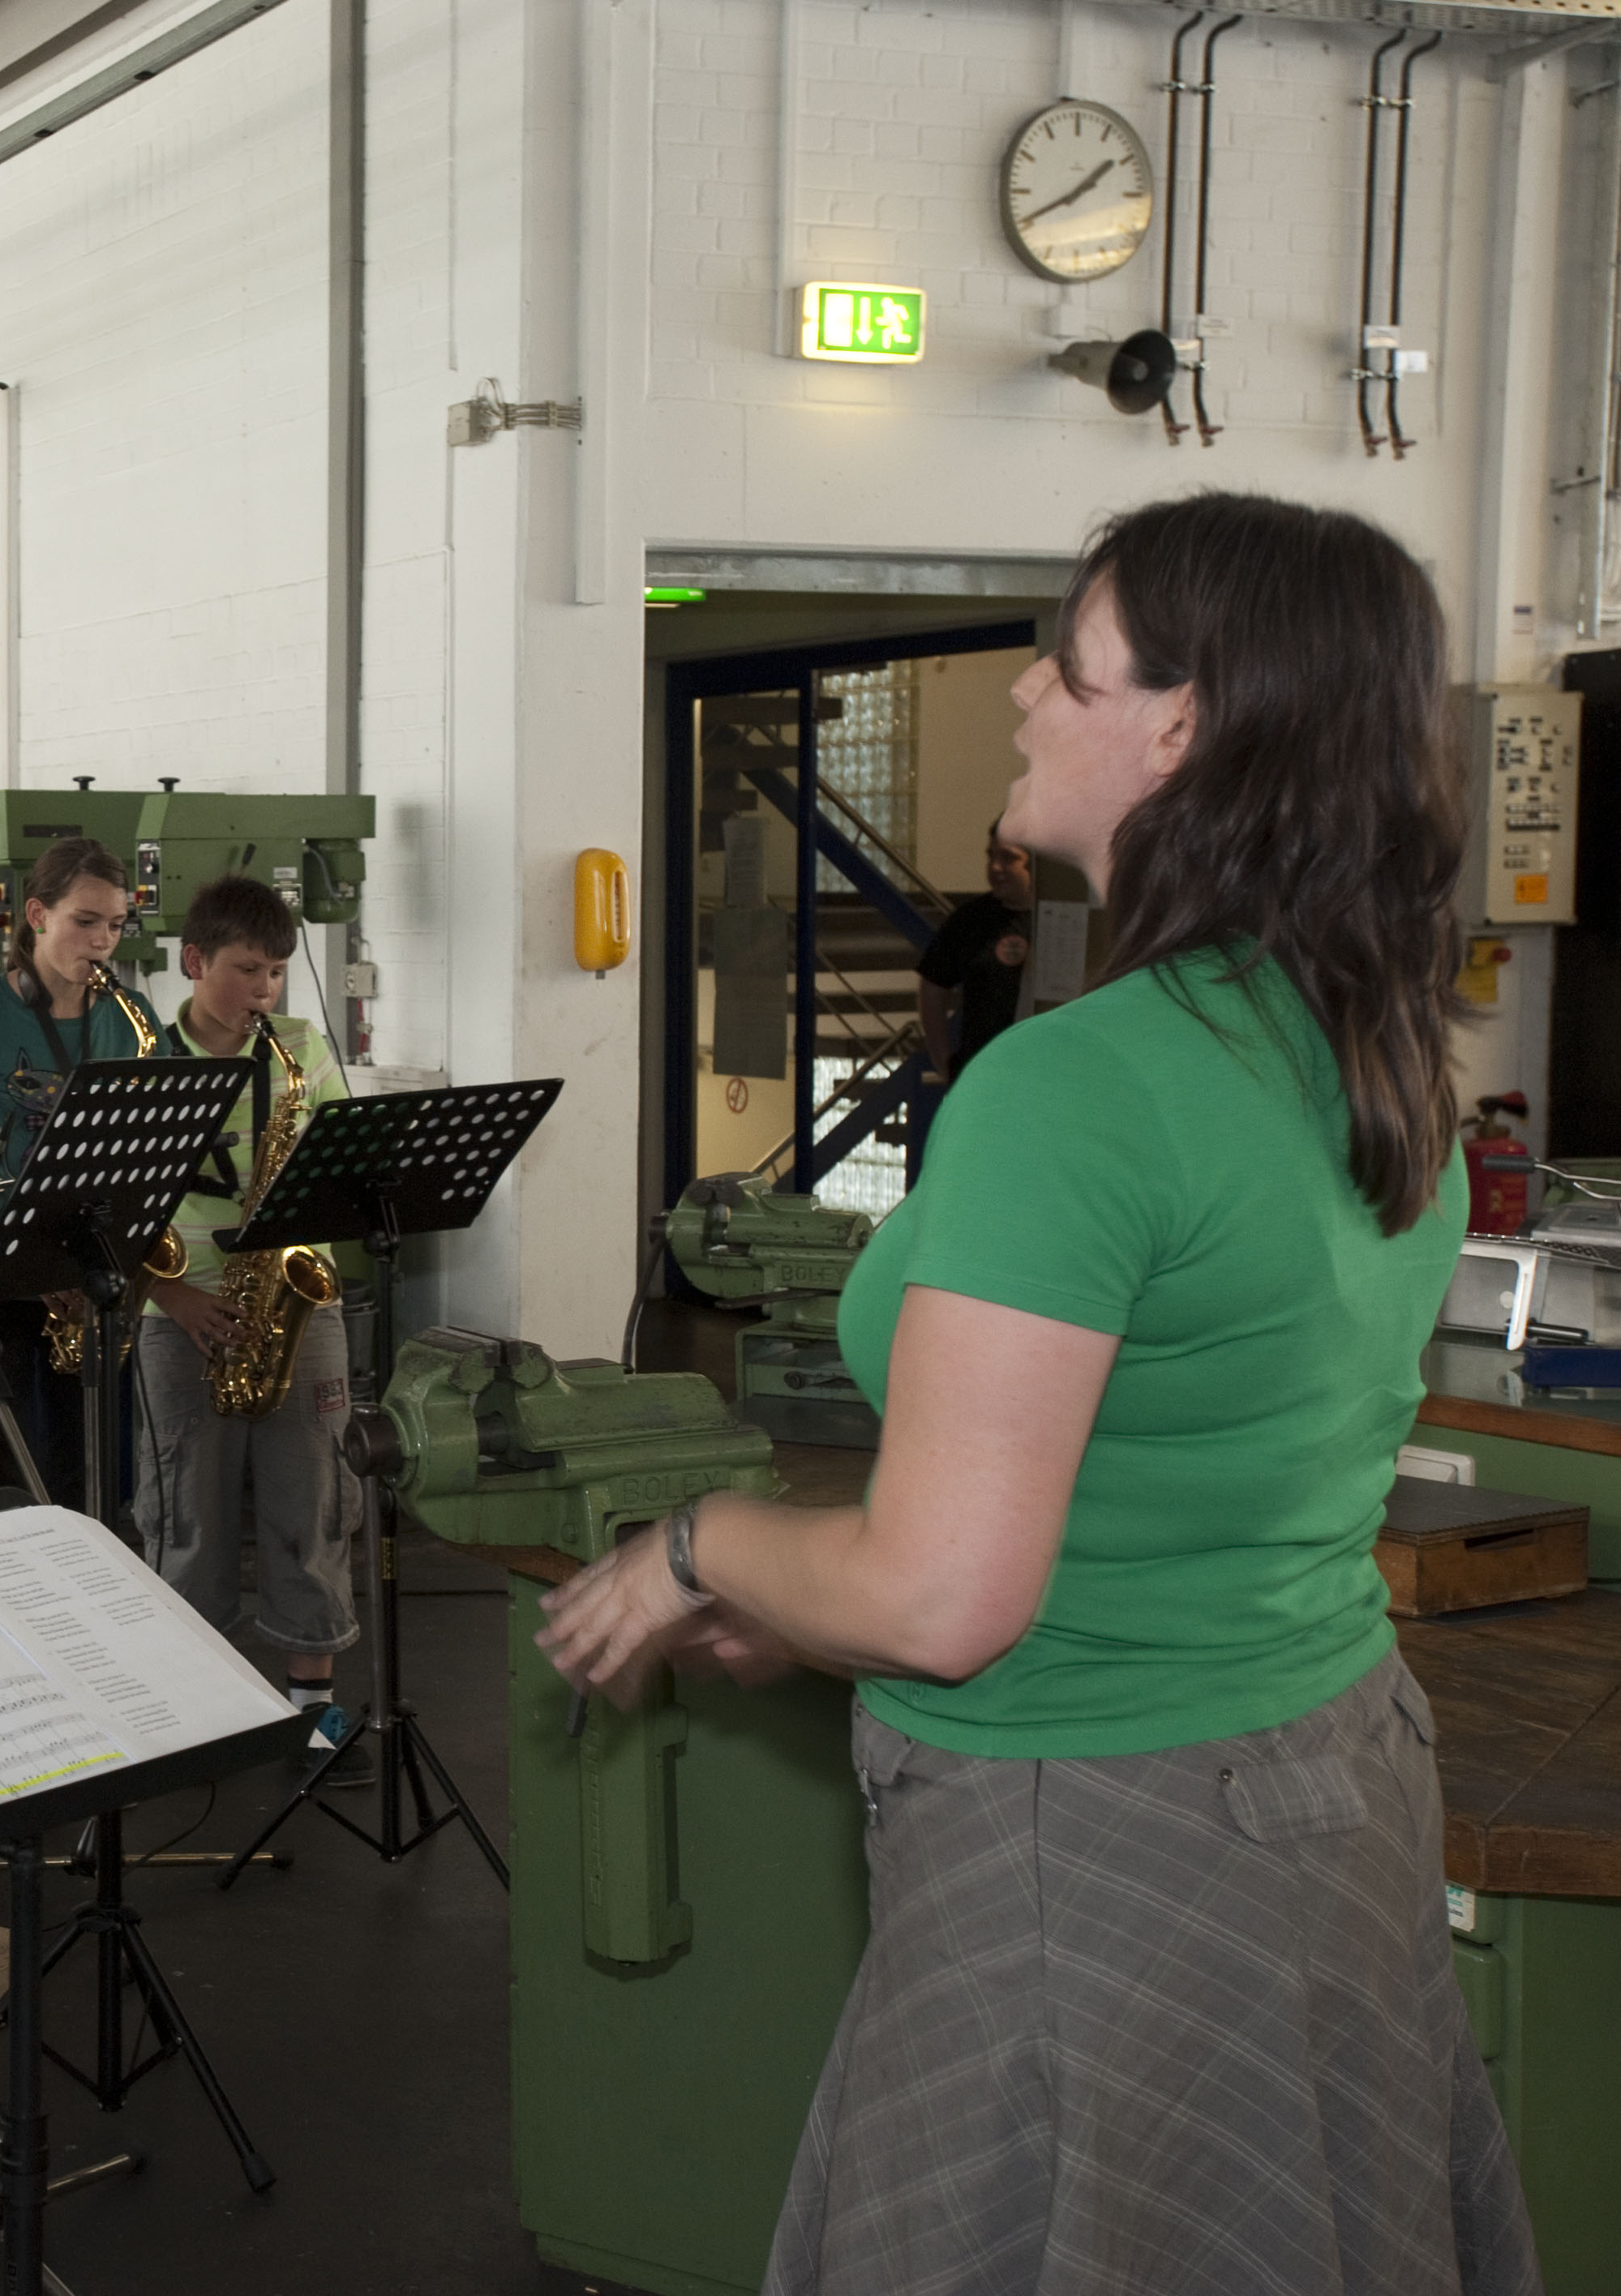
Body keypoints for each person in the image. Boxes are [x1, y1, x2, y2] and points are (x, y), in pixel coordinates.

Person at [538, 494, 1535, 2294]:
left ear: (1180, 725)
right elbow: (1127, 1488)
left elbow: (943, 1598)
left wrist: (698, 1550)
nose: (1016, 697)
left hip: (1094, 1861)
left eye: (1061, 666)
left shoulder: (1076, 1089)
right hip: (1325, 1798)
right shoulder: (1368, 1047)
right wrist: (797, 1594)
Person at [133, 875, 358, 1744]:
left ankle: (312, 1701)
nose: (263, 993)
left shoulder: (298, 1048)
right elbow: (113, 1215)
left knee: (314, 1502)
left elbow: (341, 1159)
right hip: (181, 1316)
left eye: (275, 974)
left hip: (296, 1302)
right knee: (186, 1512)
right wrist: (172, 1294)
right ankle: (195, 1710)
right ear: (193, 963)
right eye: (244, 971)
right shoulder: (150, 1066)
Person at [0, 836, 161, 1509]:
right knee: (22, 1476)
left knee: (96, 1479)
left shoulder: (132, 1018)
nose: (103, 941)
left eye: (115, 925)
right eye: (85, 922)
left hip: (90, 1272)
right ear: (36, 915)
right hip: (2, 1274)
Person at [912, 825, 1035, 1084]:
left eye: (1008, 858)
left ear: (1034, 863)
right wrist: (946, 1065)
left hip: (1041, 1070)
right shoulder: (970, 921)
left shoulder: (1060, 921)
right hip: (982, 1075)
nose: (995, 867)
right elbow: (932, 988)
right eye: (991, 856)